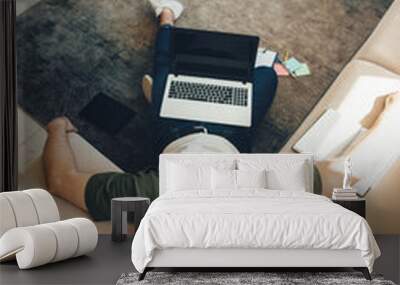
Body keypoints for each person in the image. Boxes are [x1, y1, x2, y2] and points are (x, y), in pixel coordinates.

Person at [43, 0, 278, 220]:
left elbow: (61, 181)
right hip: (233, 138)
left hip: (177, 132)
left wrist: (57, 128)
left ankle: (166, 16)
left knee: (168, 68)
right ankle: (167, 94)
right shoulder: (248, 206)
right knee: (267, 74)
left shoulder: (151, 195)